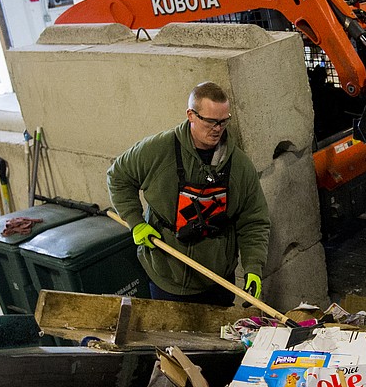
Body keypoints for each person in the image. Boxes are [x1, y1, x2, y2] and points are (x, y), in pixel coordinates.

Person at [107, 81, 270, 305]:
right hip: (167, 275)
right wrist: (135, 221)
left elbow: (253, 221)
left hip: (217, 280)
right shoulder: (158, 150)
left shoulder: (240, 167)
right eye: (211, 121)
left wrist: (253, 267)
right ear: (191, 115)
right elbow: (118, 177)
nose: (218, 129)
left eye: (223, 121)